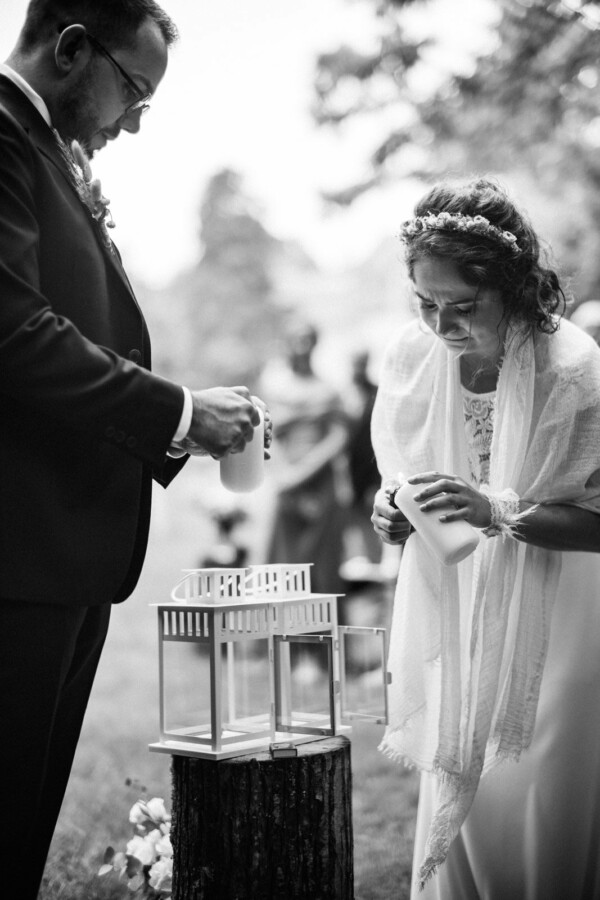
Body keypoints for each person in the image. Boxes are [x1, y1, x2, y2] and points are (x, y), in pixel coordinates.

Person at [0, 3, 270, 897]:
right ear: (75, 48)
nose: (138, 118)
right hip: (17, 550)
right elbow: (18, 335)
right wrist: (180, 412)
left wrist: (177, 414)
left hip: (63, 549)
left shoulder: (42, 151)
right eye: (135, 90)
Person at [370, 177, 600, 899]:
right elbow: (408, 478)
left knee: (537, 789)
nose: (441, 328)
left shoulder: (575, 370)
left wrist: (497, 511)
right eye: (426, 304)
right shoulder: (412, 359)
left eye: (463, 308)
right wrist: (393, 513)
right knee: (458, 766)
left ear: (515, 286)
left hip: (560, 617)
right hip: (456, 603)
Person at [260, 317, 348, 594]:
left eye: (307, 339)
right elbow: (267, 435)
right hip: (286, 484)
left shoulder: (328, 390)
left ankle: (321, 634)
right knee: (283, 564)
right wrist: (284, 474)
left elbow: (337, 438)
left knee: (320, 565)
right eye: (296, 339)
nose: (302, 345)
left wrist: (303, 471)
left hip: (320, 484)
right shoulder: (276, 387)